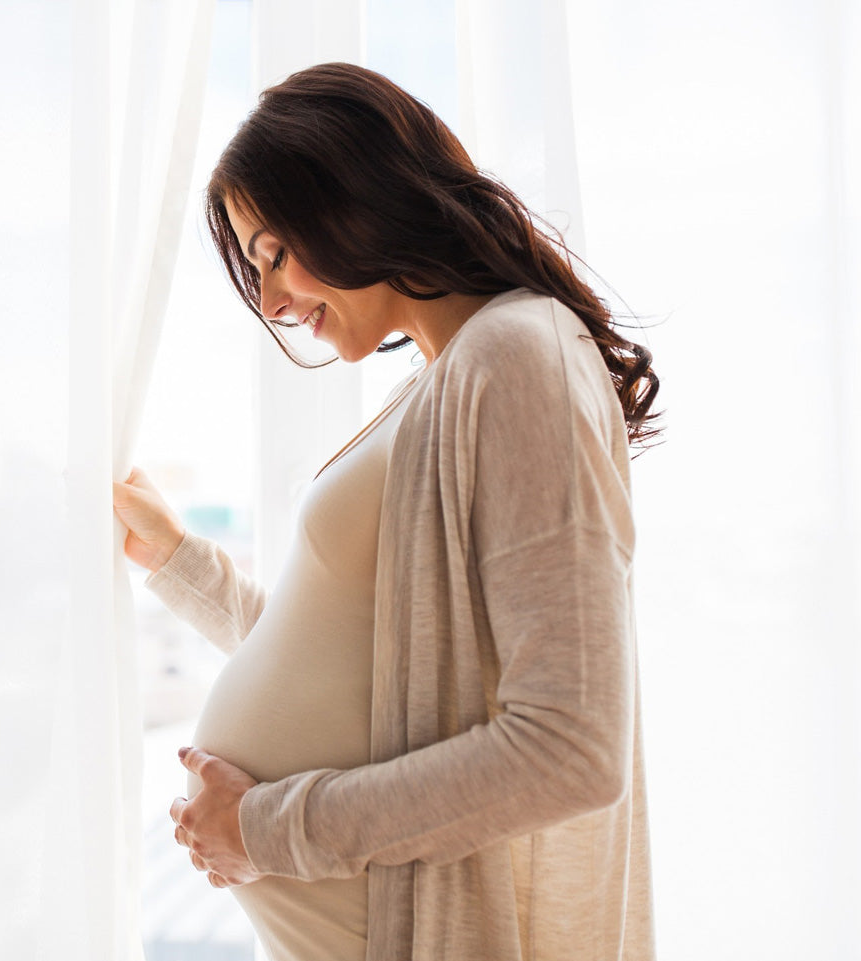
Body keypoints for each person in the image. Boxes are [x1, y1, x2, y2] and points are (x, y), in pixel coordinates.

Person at [112, 62, 660, 961]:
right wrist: (178, 561)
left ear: (352, 194)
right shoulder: (448, 378)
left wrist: (265, 829)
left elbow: (571, 747)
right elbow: (367, 673)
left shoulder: (518, 359)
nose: (273, 304)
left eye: (273, 253)